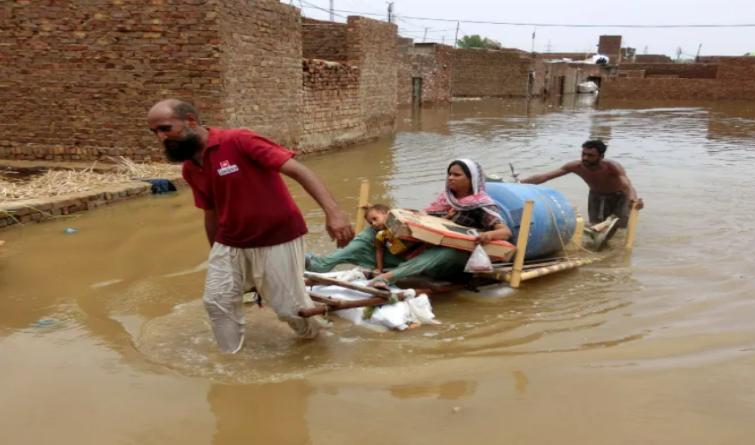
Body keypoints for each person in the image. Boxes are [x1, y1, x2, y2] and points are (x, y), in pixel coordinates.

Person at [146, 98, 354, 353]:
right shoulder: (190, 168)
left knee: (291, 310)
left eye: (166, 128)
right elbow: (211, 213)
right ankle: (230, 359)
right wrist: (216, 255)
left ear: (190, 121)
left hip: (277, 237)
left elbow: (299, 171)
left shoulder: (239, 141)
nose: (161, 138)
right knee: (216, 301)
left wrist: (335, 213)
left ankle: (318, 344)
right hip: (230, 241)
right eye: (155, 132)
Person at [306, 159, 512, 286]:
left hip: (454, 262)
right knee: (373, 233)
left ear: (471, 179)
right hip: (420, 253)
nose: (450, 178)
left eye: (456, 175)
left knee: (448, 250)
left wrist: (486, 236)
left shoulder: (481, 205)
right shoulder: (444, 200)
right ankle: (323, 264)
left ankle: (388, 278)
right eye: (449, 174)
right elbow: (426, 221)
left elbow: (505, 232)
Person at [521, 139, 643, 228]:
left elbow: (627, 184)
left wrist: (633, 199)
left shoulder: (612, 167)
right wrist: (519, 183)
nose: (585, 158)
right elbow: (545, 176)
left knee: (619, 226)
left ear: (601, 156)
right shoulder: (576, 166)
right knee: (595, 225)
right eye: (583, 154)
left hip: (619, 196)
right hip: (595, 196)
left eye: (590, 155)